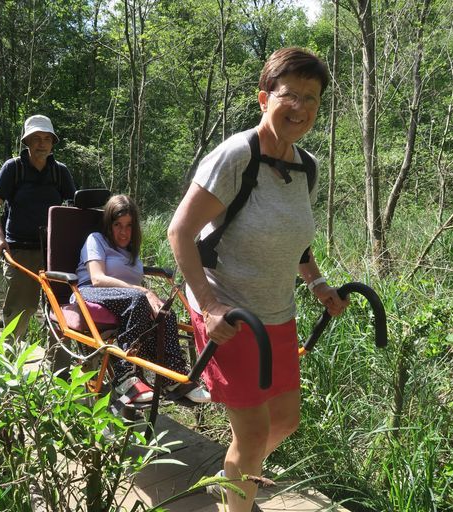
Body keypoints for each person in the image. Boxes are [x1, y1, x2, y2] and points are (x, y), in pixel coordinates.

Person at [167, 47, 350, 512]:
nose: (303, 108)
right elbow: (180, 231)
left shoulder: (305, 167)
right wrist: (209, 307)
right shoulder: (236, 156)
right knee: (250, 435)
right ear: (264, 98)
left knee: (286, 420)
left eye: (313, 98)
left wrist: (316, 282)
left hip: (276, 310)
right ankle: (238, 494)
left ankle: (231, 477)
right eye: (291, 94)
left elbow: (296, 242)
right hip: (229, 308)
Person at [74, 194, 210, 404]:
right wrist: (144, 292)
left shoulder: (131, 250)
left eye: (129, 226)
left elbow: (131, 288)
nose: (123, 232)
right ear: (108, 225)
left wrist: (148, 297)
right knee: (138, 299)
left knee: (166, 312)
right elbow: (97, 278)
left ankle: (172, 378)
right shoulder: (96, 239)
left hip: (125, 298)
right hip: (88, 292)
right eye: (117, 224)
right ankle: (124, 376)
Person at [0, 115, 76, 343]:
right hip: (21, 252)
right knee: (19, 311)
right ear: (27, 141)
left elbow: (75, 206)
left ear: (53, 142)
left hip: (54, 254)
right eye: (36, 138)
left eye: (47, 138)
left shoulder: (60, 171)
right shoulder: (13, 168)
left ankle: (57, 372)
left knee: (59, 311)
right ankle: (8, 366)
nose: (42, 143)